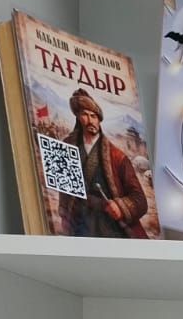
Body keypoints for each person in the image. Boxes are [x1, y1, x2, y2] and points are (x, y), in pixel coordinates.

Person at [58, 87, 150, 238]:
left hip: (109, 227)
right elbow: (63, 190)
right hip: (78, 225)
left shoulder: (117, 157)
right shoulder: (66, 146)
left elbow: (140, 201)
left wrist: (120, 207)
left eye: (94, 116)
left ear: (99, 119)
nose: (90, 121)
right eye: (85, 115)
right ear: (78, 117)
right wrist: (64, 215)